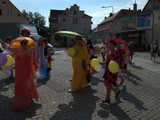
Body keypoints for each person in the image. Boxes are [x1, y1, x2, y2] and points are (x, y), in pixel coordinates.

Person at [9, 37, 39, 111]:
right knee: (22, 84)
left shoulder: (28, 50)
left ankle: (26, 98)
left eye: (25, 44)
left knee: (25, 84)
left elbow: (36, 47)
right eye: (23, 44)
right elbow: (9, 49)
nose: (24, 45)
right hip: (20, 71)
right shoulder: (20, 50)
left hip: (25, 71)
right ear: (22, 44)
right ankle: (25, 97)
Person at [103, 39, 120, 104]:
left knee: (108, 84)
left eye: (111, 45)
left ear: (114, 46)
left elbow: (117, 63)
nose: (109, 46)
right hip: (107, 71)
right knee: (107, 84)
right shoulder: (109, 52)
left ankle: (108, 98)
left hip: (112, 72)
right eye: (108, 45)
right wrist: (102, 63)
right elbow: (107, 61)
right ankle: (115, 91)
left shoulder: (116, 53)